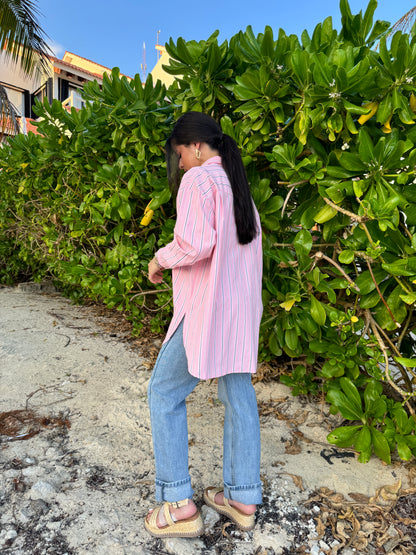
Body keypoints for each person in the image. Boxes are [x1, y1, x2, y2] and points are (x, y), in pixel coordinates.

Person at [145, 111, 263, 538]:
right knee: (238, 394)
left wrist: (160, 259)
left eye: (179, 155)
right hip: (239, 315)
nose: (179, 165)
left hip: (205, 311)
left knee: (163, 391)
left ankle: (178, 505)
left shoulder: (199, 181)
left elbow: (194, 243)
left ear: (195, 146)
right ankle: (242, 496)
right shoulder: (238, 187)